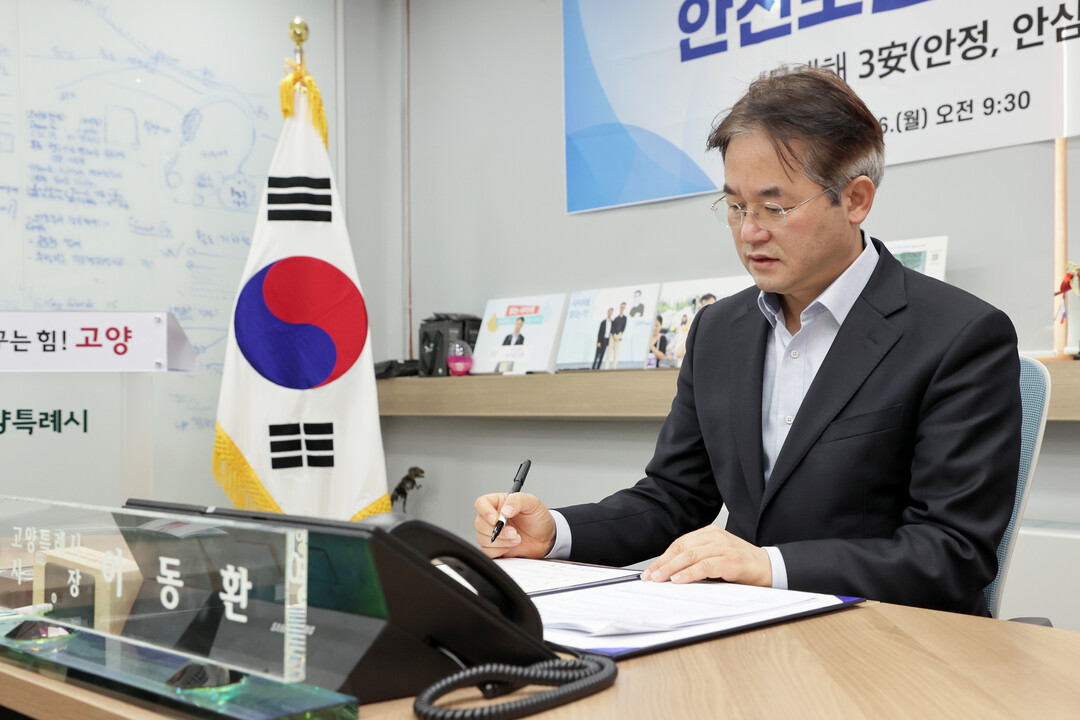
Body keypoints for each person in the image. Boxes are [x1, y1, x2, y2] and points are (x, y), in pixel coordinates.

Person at [474, 64, 1021, 617]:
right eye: (735, 207)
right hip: (747, 626)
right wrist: (555, 532)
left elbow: (951, 551)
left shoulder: (959, 335)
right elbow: (675, 497)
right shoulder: (719, 330)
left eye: (774, 208)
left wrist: (768, 566)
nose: (749, 232)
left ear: (856, 200)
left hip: (890, 633)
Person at [605, 302, 628, 369]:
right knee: (609, 354)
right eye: (621, 307)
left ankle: (613, 368)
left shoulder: (625, 318)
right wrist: (614, 335)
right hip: (613, 337)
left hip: (618, 337)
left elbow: (623, 328)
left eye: (623, 307)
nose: (622, 309)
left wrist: (618, 335)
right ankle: (606, 368)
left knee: (616, 355)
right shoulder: (616, 318)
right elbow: (612, 328)